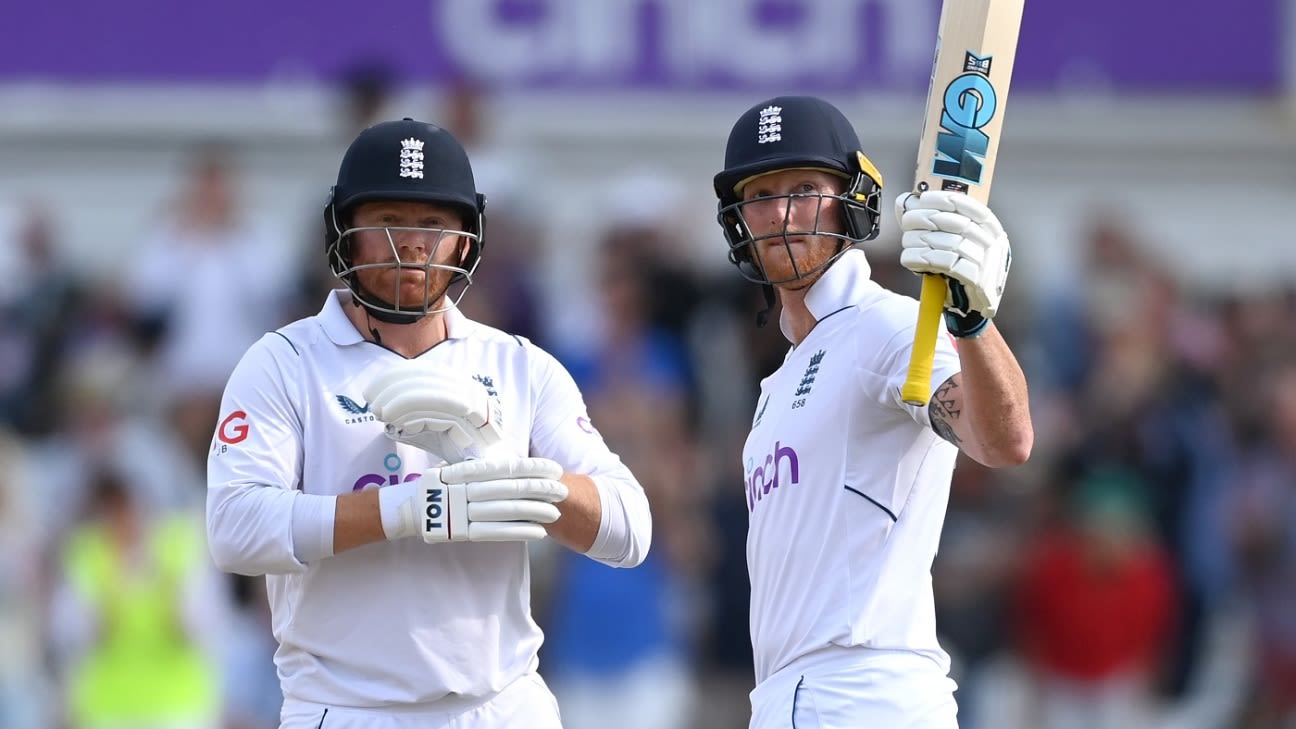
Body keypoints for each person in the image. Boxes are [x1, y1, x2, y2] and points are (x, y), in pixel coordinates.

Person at [206, 117, 652, 729]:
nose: (411, 244)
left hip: (501, 706)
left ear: (466, 241)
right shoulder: (284, 362)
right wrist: (407, 509)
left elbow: (629, 531)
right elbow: (234, 529)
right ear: (344, 234)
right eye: (388, 220)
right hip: (347, 709)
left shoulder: (519, 366)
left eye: (433, 223)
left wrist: (513, 478)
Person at [711, 95, 1033, 727]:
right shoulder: (782, 378)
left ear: (851, 199)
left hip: (862, 692)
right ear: (738, 218)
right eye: (762, 195)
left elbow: (1005, 441)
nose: (782, 213)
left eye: (805, 189)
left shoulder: (887, 326)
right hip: (794, 694)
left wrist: (971, 322)